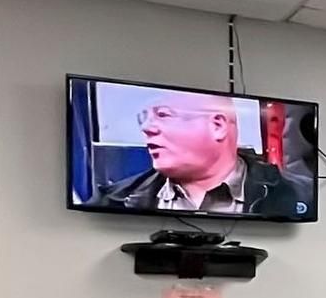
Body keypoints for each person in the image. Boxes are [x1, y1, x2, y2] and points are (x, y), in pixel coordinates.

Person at [98, 93, 305, 217]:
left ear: (217, 126)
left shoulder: (299, 196)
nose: (146, 128)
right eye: (143, 117)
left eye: (163, 114)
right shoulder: (112, 199)